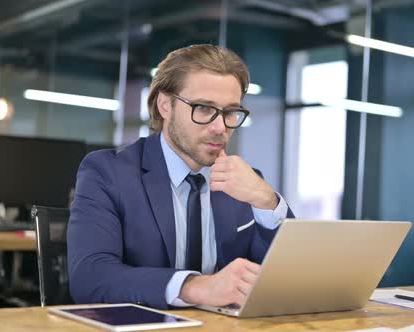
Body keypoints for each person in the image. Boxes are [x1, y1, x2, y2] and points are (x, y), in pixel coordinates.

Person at [67, 44, 294, 309]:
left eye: (230, 112)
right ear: (165, 105)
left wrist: (267, 200)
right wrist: (194, 287)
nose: (220, 127)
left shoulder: (246, 181)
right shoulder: (108, 172)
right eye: (204, 108)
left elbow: (290, 279)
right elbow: (90, 278)